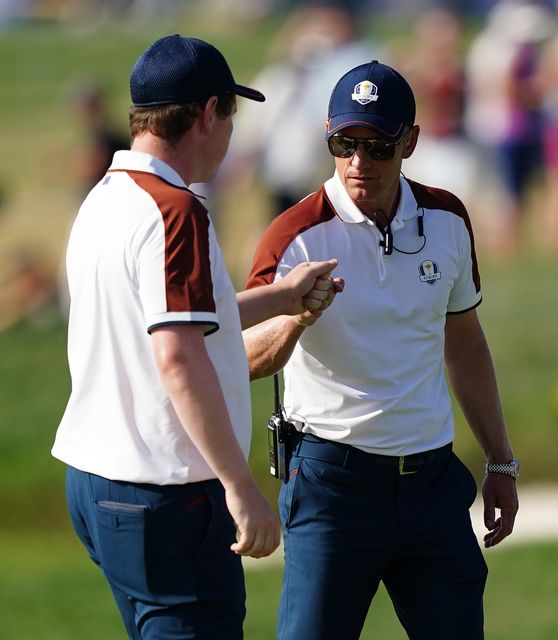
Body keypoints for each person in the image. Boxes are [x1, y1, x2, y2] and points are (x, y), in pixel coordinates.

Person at [51, 34, 338, 640]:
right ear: (208, 112)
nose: (232, 130)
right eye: (231, 112)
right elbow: (177, 355)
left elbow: (177, 318)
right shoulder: (175, 210)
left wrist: (282, 297)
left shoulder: (105, 198)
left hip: (96, 484)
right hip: (165, 496)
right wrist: (241, 488)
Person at [243, 60, 519, 640]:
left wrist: (499, 459)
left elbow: (464, 341)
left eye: (377, 145)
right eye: (344, 144)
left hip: (432, 484)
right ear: (328, 138)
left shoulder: (448, 218)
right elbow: (245, 358)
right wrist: (298, 315)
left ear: (410, 142)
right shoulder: (294, 234)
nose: (358, 162)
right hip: (331, 486)